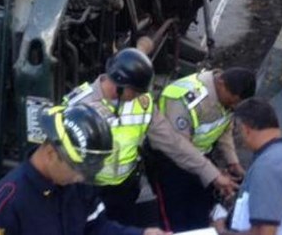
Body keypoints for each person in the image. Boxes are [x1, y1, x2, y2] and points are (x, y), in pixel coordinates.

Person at [64, 48, 238, 226]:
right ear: (121, 86)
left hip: (125, 191)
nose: (140, 96)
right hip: (87, 191)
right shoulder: (79, 105)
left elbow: (173, 142)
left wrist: (212, 174)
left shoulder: (142, 103)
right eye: (136, 92)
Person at [0, 104, 169, 235]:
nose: (80, 177)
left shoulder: (77, 187)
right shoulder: (5, 204)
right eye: (76, 169)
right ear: (52, 153)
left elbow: (97, 228)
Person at [155, 67, 257, 231]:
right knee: (176, 220)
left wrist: (233, 163)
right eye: (233, 101)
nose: (234, 106)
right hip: (171, 163)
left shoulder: (227, 98)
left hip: (201, 160)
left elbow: (224, 129)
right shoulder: (183, 99)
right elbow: (179, 148)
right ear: (221, 84)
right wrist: (213, 174)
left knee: (201, 215)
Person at [218, 97, 282, 235]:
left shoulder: (270, 165)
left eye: (238, 131)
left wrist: (221, 232)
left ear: (245, 129)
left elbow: (264, 233)